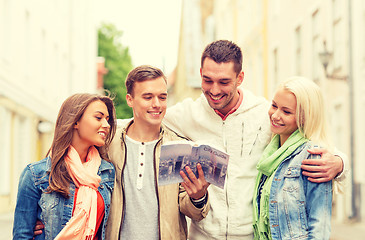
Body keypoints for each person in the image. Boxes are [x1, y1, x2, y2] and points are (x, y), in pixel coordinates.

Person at [163, 40, 346, 239]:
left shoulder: (266, 114)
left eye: (224, 82)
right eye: (208, 80)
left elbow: (310, 141)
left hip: (252, 235)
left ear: (240, 77)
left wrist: (340, 162)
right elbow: (143, 120)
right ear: (200, 73)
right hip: (203, 235)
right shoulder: (187, 114)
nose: (214, 90)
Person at [105, 65, 210, 240]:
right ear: (130, 100)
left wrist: (198, 197)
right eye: (148, 97)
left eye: (162, 97)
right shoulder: (109, 141)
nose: (157, 104)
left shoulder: (180, 148)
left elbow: (194, 213)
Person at [13, 93, 117, 239]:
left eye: (107, 119)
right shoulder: (37, 174)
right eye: (98, 118)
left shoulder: (106, 172)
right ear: (75, 122)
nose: (106, 125)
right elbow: (22, 234)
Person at [253, 77, 332, 240]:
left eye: (286, 111)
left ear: (304, 117)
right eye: (274, 106)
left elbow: (320, 226)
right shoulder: (270, 152)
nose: (275, 115)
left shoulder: (313, 155)